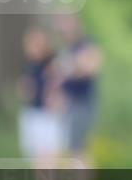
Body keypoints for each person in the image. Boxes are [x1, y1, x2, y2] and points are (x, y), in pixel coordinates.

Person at [54, 14, 104, 168]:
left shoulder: (85, 44)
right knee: (72, 148)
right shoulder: (66, 48)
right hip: (69, 104)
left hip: (82, 102)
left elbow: (93, 66)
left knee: (79, 149)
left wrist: (74, 67)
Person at [17, 26, 65, 168]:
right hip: (32, 112)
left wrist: (55, 95)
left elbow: (59, 84)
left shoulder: (52, 62)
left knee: (48, 156)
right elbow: (24, 89)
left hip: (47, 115)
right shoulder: (29, 65)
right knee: (35, 157)